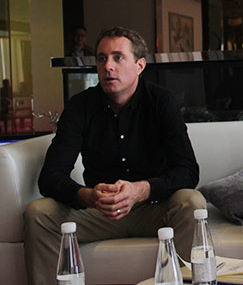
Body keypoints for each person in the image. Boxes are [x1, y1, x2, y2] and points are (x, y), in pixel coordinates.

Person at [23, 26, 206, 285]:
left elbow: (188, 170)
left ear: (140, 65)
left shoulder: (161, 102)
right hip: (99, 211)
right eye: (102, 58)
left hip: (153, 208)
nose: (108, 66)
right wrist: (88, 196)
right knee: (37, 213)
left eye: (118, 57)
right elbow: (50, 176)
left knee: (191, 202)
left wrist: (141, 190)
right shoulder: (80, 106)